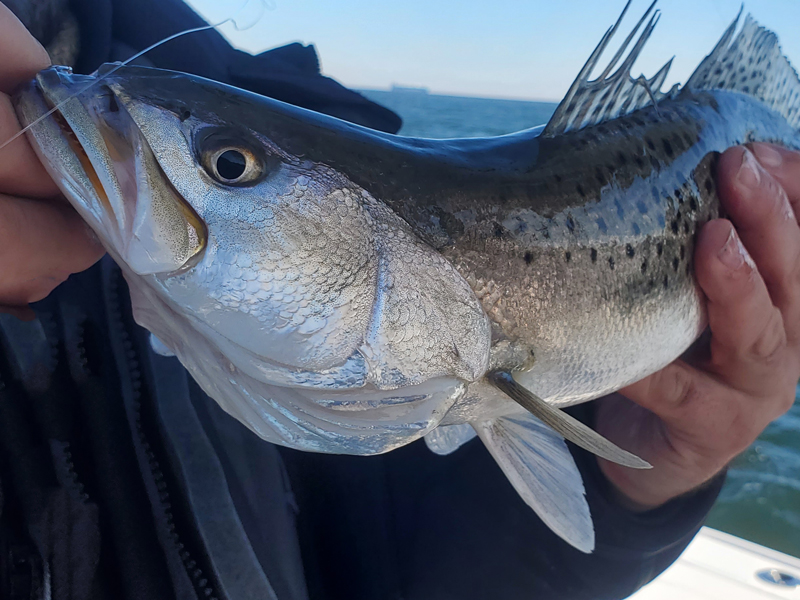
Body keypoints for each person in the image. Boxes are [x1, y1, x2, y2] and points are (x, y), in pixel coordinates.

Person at [0, 1, 797, 599]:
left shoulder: (242, 86)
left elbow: (397, 555)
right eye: (230, 165)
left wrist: (638, 486)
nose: (90, 103)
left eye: (232, 166)